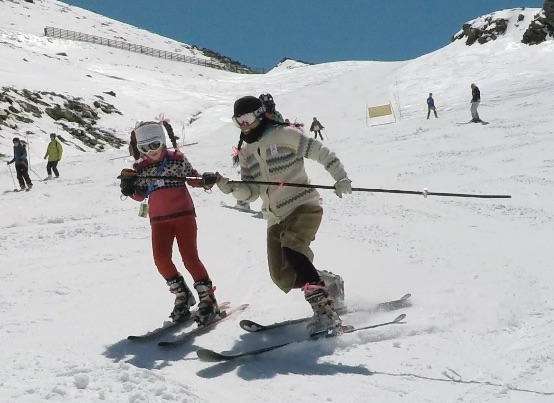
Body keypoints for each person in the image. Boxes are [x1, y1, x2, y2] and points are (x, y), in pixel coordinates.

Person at [217, 96, 351, 335]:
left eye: (247, 119)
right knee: (282, 277)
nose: (244, 125)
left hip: (303, 205)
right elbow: (251, 192)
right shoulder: (246, 151)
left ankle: (325, 312)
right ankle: (328, 284)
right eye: (238, 122)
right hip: (274, 218)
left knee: (292, 246)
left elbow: (320, 152)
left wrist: (340, 177)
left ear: (259, 115)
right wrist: (227, 186)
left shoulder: (284, 134)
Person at [118, 120, 220, 325]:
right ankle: (182, 294)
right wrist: (129, 188)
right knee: (161, 260)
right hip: (159, 220)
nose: (151, 152)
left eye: (155, 145)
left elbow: (193, 179)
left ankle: (208, 299)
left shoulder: (177, 159)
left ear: (163, 142)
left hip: (183, 216)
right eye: (145, 148)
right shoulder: (140, 167)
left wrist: (207, 180)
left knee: (190, 258)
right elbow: (140, 196)